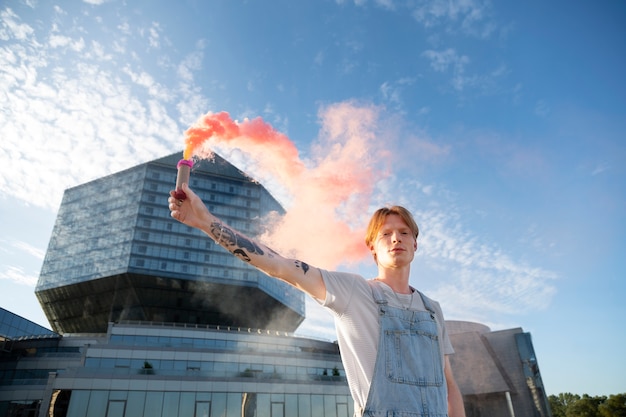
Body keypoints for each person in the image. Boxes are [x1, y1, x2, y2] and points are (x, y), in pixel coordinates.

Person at [169, 183, 466, 417]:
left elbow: (448, 383)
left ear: (415, 243)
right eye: (385, 234)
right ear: (372, 249)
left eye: (403, 232)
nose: (396, 239)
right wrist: (207, 222)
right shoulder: (353, 291)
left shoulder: (431, 310)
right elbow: (280, 265)